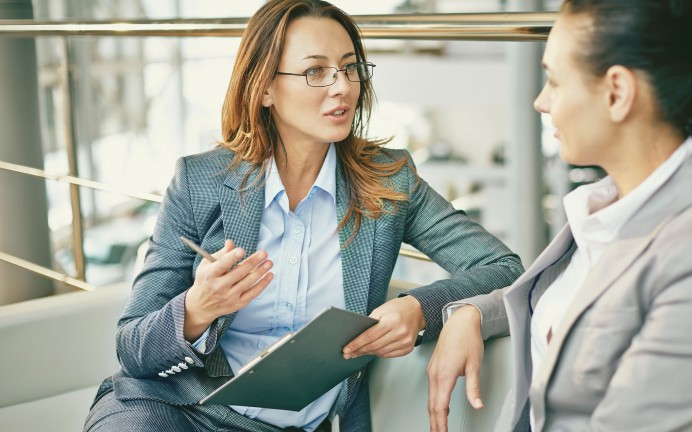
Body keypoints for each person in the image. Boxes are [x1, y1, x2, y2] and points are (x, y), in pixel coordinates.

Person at [82, 1, 523, 431]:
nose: (342, 87)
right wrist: (197, 309)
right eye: (316, 71)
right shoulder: (199, 182)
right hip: (176, 411)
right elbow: (133, 349)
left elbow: (504, 268)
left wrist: (420, 309)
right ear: (265, 88)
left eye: (350, 68)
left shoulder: (391, 183)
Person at [426, 1, 692, 431]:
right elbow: (572, 310)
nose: (540, 101)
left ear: (617, 93)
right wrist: (471, 313)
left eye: (553, 80)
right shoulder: (607, 210)